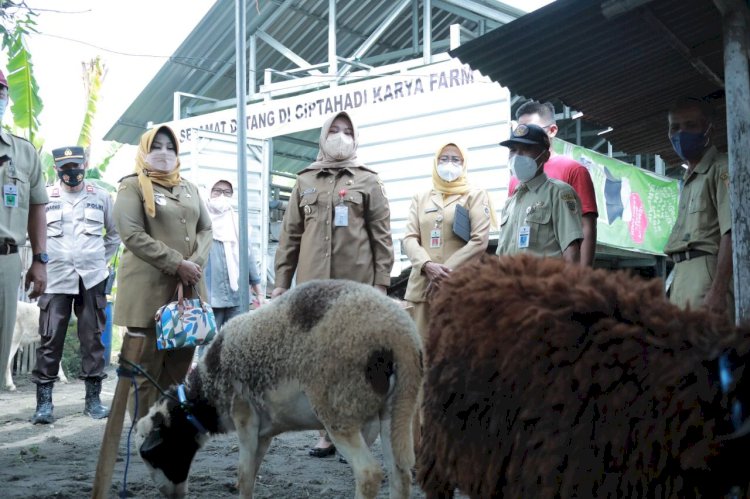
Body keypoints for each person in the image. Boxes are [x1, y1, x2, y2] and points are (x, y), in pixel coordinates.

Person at [272, 111, 394, 458]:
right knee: (317, 360)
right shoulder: (305, 181)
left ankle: (353, 432)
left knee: (356, 360)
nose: (341, 137)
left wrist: (381, 286)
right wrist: (282, 282)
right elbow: (290, 236)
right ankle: (325, 431)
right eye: (334, 131)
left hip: (357, 289)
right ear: (322, 137)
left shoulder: (368, 181)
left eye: (347, 131)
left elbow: (382, 238)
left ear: (356, 139)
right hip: (312, 289)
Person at [113, 125, 212, 421]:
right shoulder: (130, 187)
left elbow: (206, 228)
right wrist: (176, 263)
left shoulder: (189, 187)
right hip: (146, 296)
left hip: (187, 295)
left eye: (170, 147)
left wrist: (194, 262)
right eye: (156, 147)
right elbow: (131, 233)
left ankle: (166, 429)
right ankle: (144, 434)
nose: (164, 153)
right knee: (144, 372)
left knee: (178, 370)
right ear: (144, 150)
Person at [29, 146, 120, 424]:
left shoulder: (101, 197)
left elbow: (114, 235)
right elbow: (33, 233)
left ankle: (92, 401)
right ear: (56, 169)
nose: (72, 171)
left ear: (86, 164)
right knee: (50, 338)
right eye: (66, 167)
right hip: (55, 277)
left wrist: (98, 262)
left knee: (93, 338)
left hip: (91, 278)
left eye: (76, 165)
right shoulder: (45, 197)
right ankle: (44, 404)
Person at [403, 142, 492, 338]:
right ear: (436, 162)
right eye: (444, 159)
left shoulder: (475, 195)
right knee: (422, 350)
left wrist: (441, 273)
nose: (449, 164)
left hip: (459, 285)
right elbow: (409, 238)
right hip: (423, 287)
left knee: (457, 349)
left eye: (455, 159)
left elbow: (479, 241)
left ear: (464, 163)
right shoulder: (420, 197)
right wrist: (427, 265)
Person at [0, 68, 48, 391]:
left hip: (7, 261)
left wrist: (40, 259)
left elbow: (37, 207)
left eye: (0, 91)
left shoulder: (24, 152)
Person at [663, 97, 733, 321]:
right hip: (681, 274)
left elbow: (732, 233)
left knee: (705, 349)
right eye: (675, 127)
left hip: (707, 275)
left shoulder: (722, 169)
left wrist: (719, 290)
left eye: (690, 125)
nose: (681, 133)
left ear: (708, 130)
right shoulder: (689, 178)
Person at [508, 101, 598, 266]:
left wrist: (582, 279)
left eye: (532, 129)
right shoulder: (515, 180)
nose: (524, 135)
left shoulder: (573, 170)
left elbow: (586, 227)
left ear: (552, 130)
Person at [496, 124, 583, 263]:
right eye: (513, 150)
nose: (517, 156)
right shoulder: (510, 203)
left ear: (545, 156)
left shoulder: (558, 193)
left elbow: (571, 252)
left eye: (526, 149)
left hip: (543, 284)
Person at [198, 179, 263, 357]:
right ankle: (205, 381)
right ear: (208, 192)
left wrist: (258, 292)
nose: (222, 196)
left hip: (238, 295)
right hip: (211, 296)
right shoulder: (201, 223)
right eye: (217, 191)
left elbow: (248, 256)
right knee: (208, 344)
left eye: (227, 192)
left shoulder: (237, 222)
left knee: (236, 342)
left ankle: (231, 382)